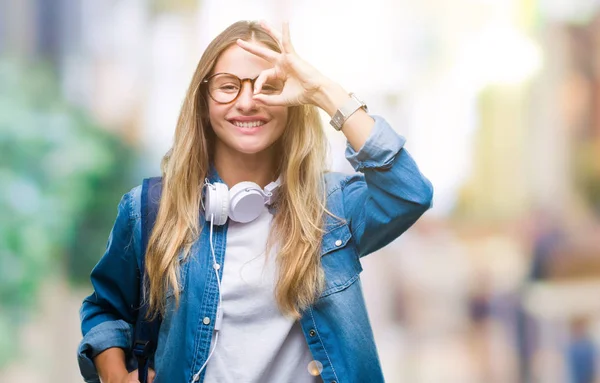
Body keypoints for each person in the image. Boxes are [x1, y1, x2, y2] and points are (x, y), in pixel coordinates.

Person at [77, 20, 433, 383]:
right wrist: (115, 375)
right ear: (203, 103)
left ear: (293, 102)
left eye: (268, 87)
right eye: (228, 87)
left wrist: (324, 91)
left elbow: (409, 193)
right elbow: (106, 309)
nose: (247, 102)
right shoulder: (150, 209)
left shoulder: (332, 209)